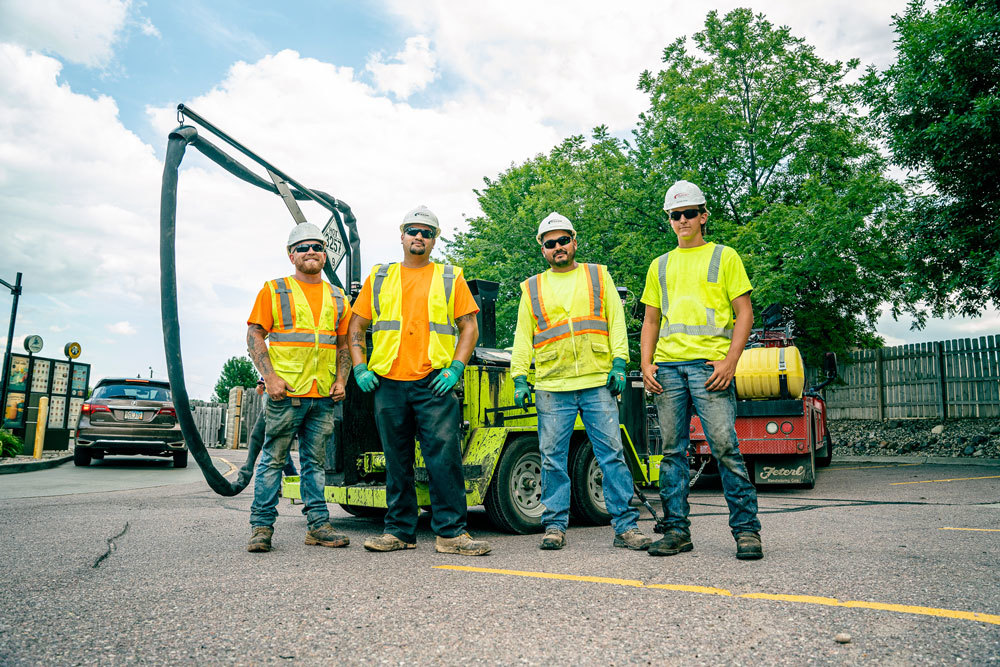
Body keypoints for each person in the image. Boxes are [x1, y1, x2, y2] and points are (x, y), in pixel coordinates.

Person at [348, 205, 491, 556]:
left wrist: (456, 368)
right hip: (388, 384)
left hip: (433, 383)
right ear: (402, 236)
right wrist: (360, 368)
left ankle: (451, 534)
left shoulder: (449, 277)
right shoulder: (380, 277)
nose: (419, 237)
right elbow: (356, 327)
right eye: (413, 230)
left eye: (426, 233)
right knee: (396, 462)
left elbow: (469, 325)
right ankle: (399, 532)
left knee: (444, 459)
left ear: (434, 240)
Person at [510, 212, 652, 551]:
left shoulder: (597, 276)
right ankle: (555, 525)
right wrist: (519, 376)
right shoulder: (532, 288)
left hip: (596, 381)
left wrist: (619, 363)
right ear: (543, 250)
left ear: (574, 241)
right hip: (552, 385)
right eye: (550, 243)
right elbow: (522, 336)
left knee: (611, 455)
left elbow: (616, 320)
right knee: (552, 458)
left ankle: (626, 528)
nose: (558, 247)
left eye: (563, 240)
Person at [639, 180, 762, 560]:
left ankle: (746, 532)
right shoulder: (659, 265)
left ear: (703, 216)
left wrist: (730, 361)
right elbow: (651, 321)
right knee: (673, 453)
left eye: (689, 213)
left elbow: (745, 313)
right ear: (670, 219)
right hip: (670, 370)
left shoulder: (725, 257)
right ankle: (677, 531)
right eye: (675, 215)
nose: (682, 220)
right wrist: (645, 364)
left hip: (711, 369)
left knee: (726, 449)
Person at [245, 222, 352, 553]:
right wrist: (271, 378)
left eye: (317, 247)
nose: (311, 252)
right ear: (291, 255)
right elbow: (254, 334)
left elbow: (345, 343)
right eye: (303, 247)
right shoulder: (275, 290)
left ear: (324, 255)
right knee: (272, 460)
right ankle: (261, 528)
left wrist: (341, 380)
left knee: (314, 464)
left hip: (322, 396)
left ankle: (318, 526)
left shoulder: (337, 297)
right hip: (285, 395)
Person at [255, 378, 298, 477]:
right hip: (272, 417)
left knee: (278, 454)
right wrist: (261, 387)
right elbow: (258, 390)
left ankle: (292, 476)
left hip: (283, 414)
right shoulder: (266, 378)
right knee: (278, 454)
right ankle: (291, 477)